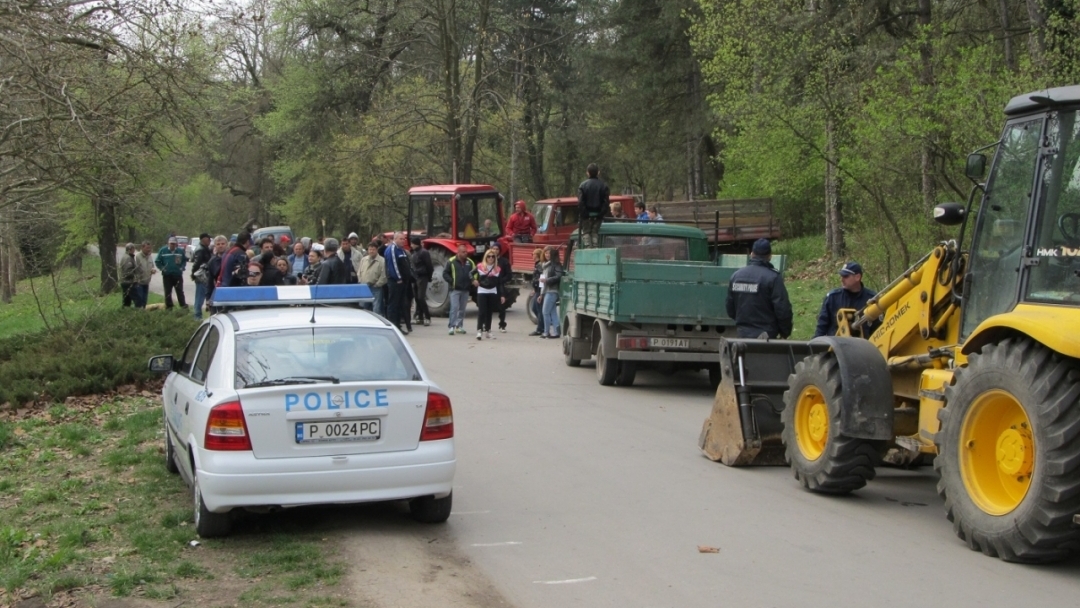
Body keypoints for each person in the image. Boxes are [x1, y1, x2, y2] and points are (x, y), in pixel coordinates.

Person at [725, 239, 793, 339]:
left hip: (742, 334)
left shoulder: (736, 276)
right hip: (766, 336)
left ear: (752, 254)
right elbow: (782, 309)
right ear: (770, 256)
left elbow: (730, 308)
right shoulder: (773, 278)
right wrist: (785, 332)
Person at [814, 261, 879, 338]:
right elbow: (821, 327)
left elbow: (878, 329)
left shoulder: (871, 299)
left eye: (846, 276)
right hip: (836, 346)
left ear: (857, 277)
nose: (842, 279)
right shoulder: (833, 297)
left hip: (863, 347)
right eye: (841, 276)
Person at [443, 243, 477, 335]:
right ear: (458, 252)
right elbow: (445, 273)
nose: (465, 253)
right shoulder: (451, 261)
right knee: (454, 308)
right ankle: (451, 327)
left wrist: (473, 281)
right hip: (455, 289)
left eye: (466, 252)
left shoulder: (470, 262)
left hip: (465, 289)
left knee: (462, 309)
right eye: (463, 252)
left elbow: (475, 273)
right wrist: (452, 282)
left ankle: (459, 326)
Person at [384, 232, 412, 334]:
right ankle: (392, 327)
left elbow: (406, 264)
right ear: (395, 239)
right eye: (401, 239)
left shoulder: (402, 250)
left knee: (400, 304)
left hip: (403, 282)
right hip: (395, 282)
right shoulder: (392, 249)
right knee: (393, 304)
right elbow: (393, 265)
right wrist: (398, 278)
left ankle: (398, 326)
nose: (403, 241)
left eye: (404, 239)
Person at [577, 163, 610, 248]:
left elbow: (581, 202)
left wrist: (584, 214)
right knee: (595, 233)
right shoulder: (603, 186)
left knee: (586, 233)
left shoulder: (583, 186)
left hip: (586, 216)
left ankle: (588, 248)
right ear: (598, 172)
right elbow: (606, 202)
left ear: (587, 173)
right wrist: (600, 214)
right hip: (598, 215)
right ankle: (595, 247)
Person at [474, 249, 503, 340]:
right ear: (485, 257)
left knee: (489, 312)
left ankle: (488, 331)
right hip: (482, 291)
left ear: (495, 258)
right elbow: (470, 274)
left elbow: (499, 283)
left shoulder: (497, 269)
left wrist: (502, 295)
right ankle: (479, 330)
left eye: (492, 256)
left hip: (492, 292)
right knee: (482, 312)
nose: (490, 258)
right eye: (489, 256)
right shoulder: (480, 266)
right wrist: (473, 280)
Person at [156, 236, 188, 309]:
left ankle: (183, 306)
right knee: (168, 292)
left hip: (177, 275)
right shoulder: (163, 250)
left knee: (180, 291)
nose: (172, 245)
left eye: (174, 244)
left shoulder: (180, 251)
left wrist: (182, 267)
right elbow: (157, 261)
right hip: (167, 275)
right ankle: (169, 306)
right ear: (168, 243)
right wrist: (162, 268)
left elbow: (184, 260)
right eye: (171, 244)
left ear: (176, 244)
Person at [540, 246, 563, 338]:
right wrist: (541, 294)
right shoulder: (545, 265)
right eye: (545, 253)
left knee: (545, 312)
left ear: (553, 254)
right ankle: (556, 332)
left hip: (553, 290)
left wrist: (547, 280)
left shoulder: (556, 264)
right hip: (547, 291)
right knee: (553, 312)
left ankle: (546, 332)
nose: (547, 255)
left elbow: (559, 276)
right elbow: (543, 280)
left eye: (549, 253)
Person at [489, 242, 512, 332]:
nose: (495, 251)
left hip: (500, 286)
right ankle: (486, 326)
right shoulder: (488, 260)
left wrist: (501, 280)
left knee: (502, 307)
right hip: (489, 286)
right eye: (493, 249)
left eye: (497, 249)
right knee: (487, 307)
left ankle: (502, 325)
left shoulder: (504, 262)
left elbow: (509, 275)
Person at [359, 242, 388, 313]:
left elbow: (384, 275)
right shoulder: (363, 259)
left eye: (373, 249)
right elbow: (359, 271)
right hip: (364, 287)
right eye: (370, 249)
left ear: (377, 250)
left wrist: (378, 284)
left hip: (376, 288)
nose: (371, 251)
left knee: (376, 308)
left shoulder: (382, 260)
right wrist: (360, 281)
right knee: (363, 307)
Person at [410, 237, 433, 326]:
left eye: (412, 243)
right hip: (416, 277)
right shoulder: (414, 252)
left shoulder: (424, 253)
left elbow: (429, 266)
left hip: (423, 277)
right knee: (416, 297)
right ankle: (420, 317)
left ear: (415, 244)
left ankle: (427, 316)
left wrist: (429, 277)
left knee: (420, 297)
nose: (411, 245)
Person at [190, 233, 213, 320]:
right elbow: (197, 263)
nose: (210, 241)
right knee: (200, 296)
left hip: (205, 275)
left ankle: (197, 315)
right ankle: (197, 316)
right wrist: (193, 273)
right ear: (203, 239)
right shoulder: (200, 250)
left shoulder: (205, 249)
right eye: (208, 239)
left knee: (201, 295)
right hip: (201, 276)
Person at [205, 235, 228, 308]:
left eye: (222, 244)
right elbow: (209, 280)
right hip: (217, 290)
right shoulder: (212, 261)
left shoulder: (232, 258)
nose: (220, 246)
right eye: (218, 244)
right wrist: (208, 298)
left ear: (226, 245)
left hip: (230, 290)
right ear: (215, 246)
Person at [528, 247, 546, 336]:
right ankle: (541, 326)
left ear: (537, 255)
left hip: (540, 290)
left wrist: (539, 291)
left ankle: (540, 329)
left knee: (538, 309)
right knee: (535, 308)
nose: (532, 256)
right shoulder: (537, 264)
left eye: (533, 254)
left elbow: (541, 278)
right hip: (537, 290)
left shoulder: (540, 265)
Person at [134, 241, 156, 308]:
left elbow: (152, 266)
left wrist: (153, 270)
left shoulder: (149, 256)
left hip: (146, 282)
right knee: (139, 300)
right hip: (139, 282)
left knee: (144, 300)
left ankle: (143, 313)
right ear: (142, 247)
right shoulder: (137, 257)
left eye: (150, 248)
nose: (149, 249)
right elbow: (133, 269)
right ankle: (137, 313)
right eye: (147, 248)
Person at [118, 243, 139, 308]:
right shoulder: (128, 258)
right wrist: (136, 276)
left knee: (127, 300)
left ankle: (125, 311)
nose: (134, 250)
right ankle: (138, 312)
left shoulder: (127, 256)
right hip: (128, 282)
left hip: (125, 281)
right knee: (137, 299)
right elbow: (128, 272)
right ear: (130, 249)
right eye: (133, 248)